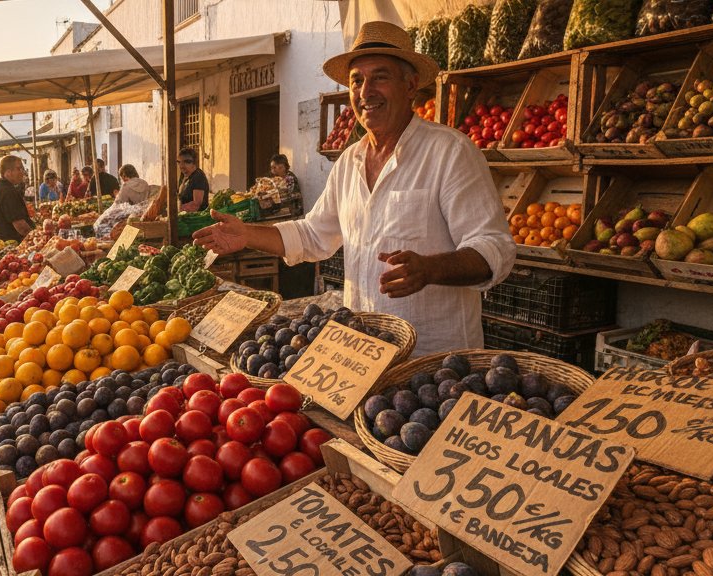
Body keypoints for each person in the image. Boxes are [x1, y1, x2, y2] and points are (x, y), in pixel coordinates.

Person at [193, 22, 515, 355]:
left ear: (411, 85)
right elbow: (314, 235)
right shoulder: (349, 162)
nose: (365, 92)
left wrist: (431, 269)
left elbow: (495, 248)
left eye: (380, 77)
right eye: (356, 80)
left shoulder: (450, 152)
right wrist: (247, 234)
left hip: (436, 361)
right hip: (363, 355)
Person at [0, 156, 34, 242]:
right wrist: (36, 236)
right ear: (8, 172)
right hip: (12, 244)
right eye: (19, 169)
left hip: (4, 244)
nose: (22, 172)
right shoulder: (7, 191)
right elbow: (21, 227)